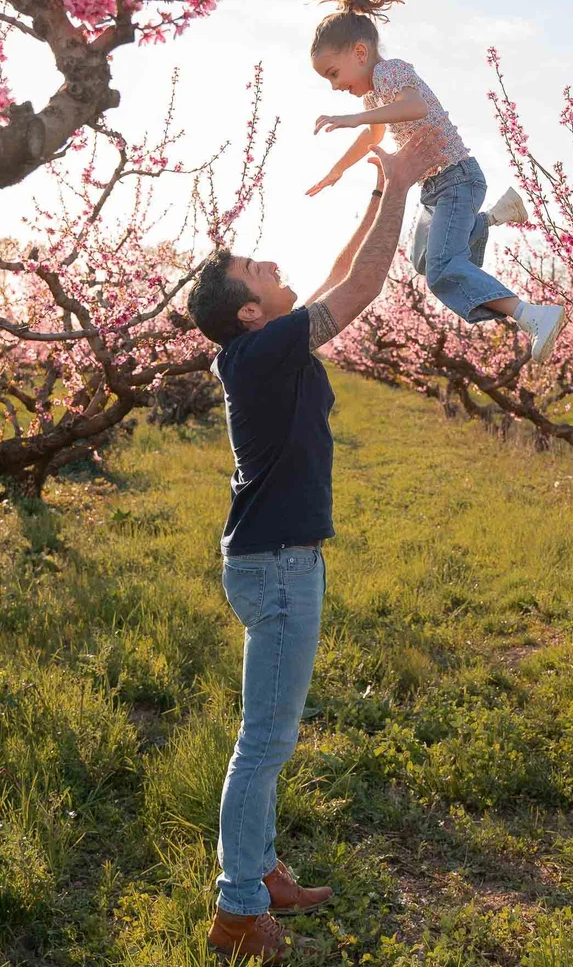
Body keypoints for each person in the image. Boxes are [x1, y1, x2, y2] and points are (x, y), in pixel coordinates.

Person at [186, 124, 447, 964]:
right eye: (255, 269)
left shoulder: (263, 345)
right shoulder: (260, 352)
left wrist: (377, 191)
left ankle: (261, 873)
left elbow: (338, 275)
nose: (270, 262)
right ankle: (236, 911)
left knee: (270, 739)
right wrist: (401, 185)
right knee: (263, 744)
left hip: (278, 561)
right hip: (277, 567)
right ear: (249, 311)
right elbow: (361, 288)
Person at [307, 0, 566, 364]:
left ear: (360, 53)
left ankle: (530, 314)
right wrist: (337, 169)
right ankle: (495, 217)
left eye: (334, 73)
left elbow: (414, 107)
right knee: (425, 262)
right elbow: (373, 135)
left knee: (443, 266)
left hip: (457, 178)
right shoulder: (373, 95)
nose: (335, 85)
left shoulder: (390, 73)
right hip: (434, 187)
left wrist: (355, 117)